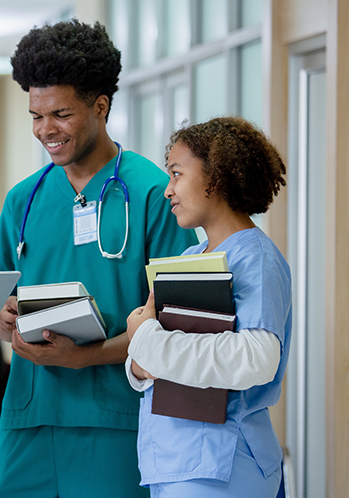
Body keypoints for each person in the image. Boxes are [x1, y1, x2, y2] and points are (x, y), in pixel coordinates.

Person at [0, 20, 198, 497]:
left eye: (60, 113)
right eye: (36, 116)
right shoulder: (25, 200)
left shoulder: (153, 194)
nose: (46, 130)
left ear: (100, 106)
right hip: (30, 421)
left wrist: (87, 357)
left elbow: (179, 321)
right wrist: (2, 316)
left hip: (118, 421)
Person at [125, 116, 290, 498]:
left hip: (224, 464)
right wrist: (139, 363)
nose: (168, 191)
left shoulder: (256, 258)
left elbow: (256, 358)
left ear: (215, 178)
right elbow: (158, 358)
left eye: (177, 175)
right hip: (174, 460)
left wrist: (146, 338)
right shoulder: (192, 255)